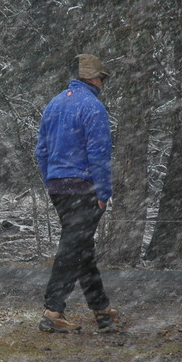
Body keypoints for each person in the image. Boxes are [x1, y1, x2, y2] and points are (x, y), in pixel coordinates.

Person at [34, 54, 121, 333]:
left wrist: (52, 181)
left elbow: (41, 151)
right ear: (95, 78)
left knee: (82, 249)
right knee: (72, 250)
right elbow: (99, 153)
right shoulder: (93, 107)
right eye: (103, 78)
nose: (103, 84)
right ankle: (52, 311)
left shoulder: (54, 104)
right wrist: (103, 191)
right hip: (84, 188)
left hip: (59, 186)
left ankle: (101, 310)